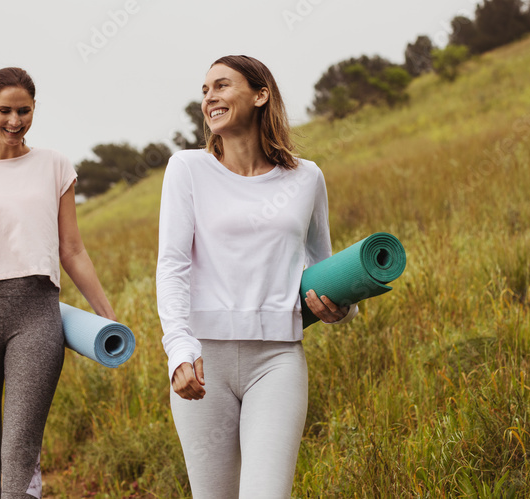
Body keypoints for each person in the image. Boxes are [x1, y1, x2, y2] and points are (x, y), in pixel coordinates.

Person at [156, 55, 358, 499]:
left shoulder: (306, 178)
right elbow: (172, 266)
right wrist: (179, 350)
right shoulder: (187, 169)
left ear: (260, 94)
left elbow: (325, 268)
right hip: (205, 360)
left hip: (278, 361)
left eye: (222, 86)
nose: (210, 97)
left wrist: (341, 307)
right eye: (205, 90)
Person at [0, 67, 116, 499]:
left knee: (20, 450)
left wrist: (106, 313)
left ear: (34, 110)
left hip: (37, 315)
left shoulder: (54, 165)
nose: (15, 121)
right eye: (5, 111)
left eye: (24, 111)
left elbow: (73, 250)